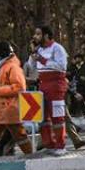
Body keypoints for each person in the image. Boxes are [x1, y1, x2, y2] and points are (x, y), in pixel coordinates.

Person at [30, 24, 70, 154]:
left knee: (57, 116)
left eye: (38, 34)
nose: (34, 37)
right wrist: (34, 53)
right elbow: (31, 66)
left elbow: (61, 66)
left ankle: (60, 146)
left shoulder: (57, 48)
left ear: (46, 35)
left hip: (56, 84)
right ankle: (49, 144)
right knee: (43, 117)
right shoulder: (39, 49)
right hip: (42, 84)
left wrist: (42, 59)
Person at [69, 53, 85, 118]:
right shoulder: (75, 66)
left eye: (77, 58)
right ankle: (82, 112)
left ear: (80, 58)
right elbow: (71, 72)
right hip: (77, 85)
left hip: (84, 85)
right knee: (78, 99)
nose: (76, 60)